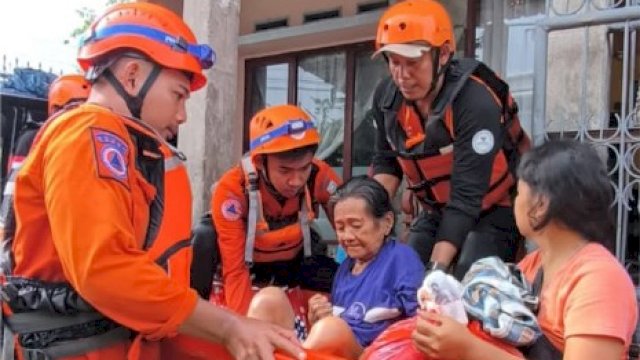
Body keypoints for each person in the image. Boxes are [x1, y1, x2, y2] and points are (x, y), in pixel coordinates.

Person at [0, 3, 304, 360]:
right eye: (178, 95)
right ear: (131, 76)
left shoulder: (121, 146)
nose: (182, 115)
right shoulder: (88, 134)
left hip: (130, 340)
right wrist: (227, 325)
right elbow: (104, 269)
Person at [412, 140, 638, 360]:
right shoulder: (532, 265)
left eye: (518, 193)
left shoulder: (599, 280)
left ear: (541, 205)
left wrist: (469, 349)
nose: (514, 202)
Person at [369, 0, 530, 279]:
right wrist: (365, 215)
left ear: (442, 54)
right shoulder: (387, 98)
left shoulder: (474, 101)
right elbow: (386, 163)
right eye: (394, 62)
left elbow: (467, 196)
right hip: (435, 211)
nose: (402, 75)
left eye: (412, 62)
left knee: (467, 274)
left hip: (492, 206)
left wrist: (438, 269)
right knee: (402, 277)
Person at [190, 104, 342, 334]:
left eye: (304, 169)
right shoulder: (232, 190)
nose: (296, 181)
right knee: (204, 236)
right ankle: (193, 316)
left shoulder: (320, 176)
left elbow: (352, 226)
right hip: (247, 262)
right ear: (260, 162)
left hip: (293, 259)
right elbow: (234, 269)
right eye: (285, 171)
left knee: (334, 269)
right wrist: (244, 332)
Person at [303, 176, 425, 359]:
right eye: (340, 228)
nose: (347, 236)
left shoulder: (401, 259)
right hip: (344, 352)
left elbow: (421, 322)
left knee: (330, 329)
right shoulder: (345, 268)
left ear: (387, 222)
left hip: (380, 354)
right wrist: (318, 319)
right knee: (271, 300)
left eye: (356, 226)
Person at [0, 73, 91, 274]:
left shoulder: (81, 142)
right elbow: (11, 200)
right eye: (74, 107)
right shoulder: (34, 140)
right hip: (32, 266)